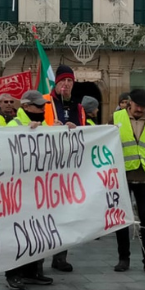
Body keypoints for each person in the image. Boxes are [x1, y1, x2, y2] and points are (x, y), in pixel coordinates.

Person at [1, 91, 56, 290]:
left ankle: (32, 271)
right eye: (39, 106)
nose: (43, 110)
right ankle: (13, 274)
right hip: (19, 191)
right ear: (26, 107)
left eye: (44, 106)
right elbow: (7, 153)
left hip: (39, 190)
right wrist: (26, 133)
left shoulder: (44, 126)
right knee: (18, 233)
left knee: (38, 231)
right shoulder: (14, 126)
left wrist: (66, 133)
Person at [112, 89, 145, 275]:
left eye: (144, 107)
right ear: (129, 103)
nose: (140, 109)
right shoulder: (116, 118)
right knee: (121, 221)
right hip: (122, 178)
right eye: (137, 105)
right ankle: (123, 258)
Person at [43, 65, 85, 272]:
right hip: (47, 166)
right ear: (56, 83)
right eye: (62, 81)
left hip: (69, 168)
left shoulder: (78, 107)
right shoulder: (45, 102)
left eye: (70, 81)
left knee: (66, 214)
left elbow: (86, 134)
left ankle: (61, 256)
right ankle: (38, 259)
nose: (66, 84)